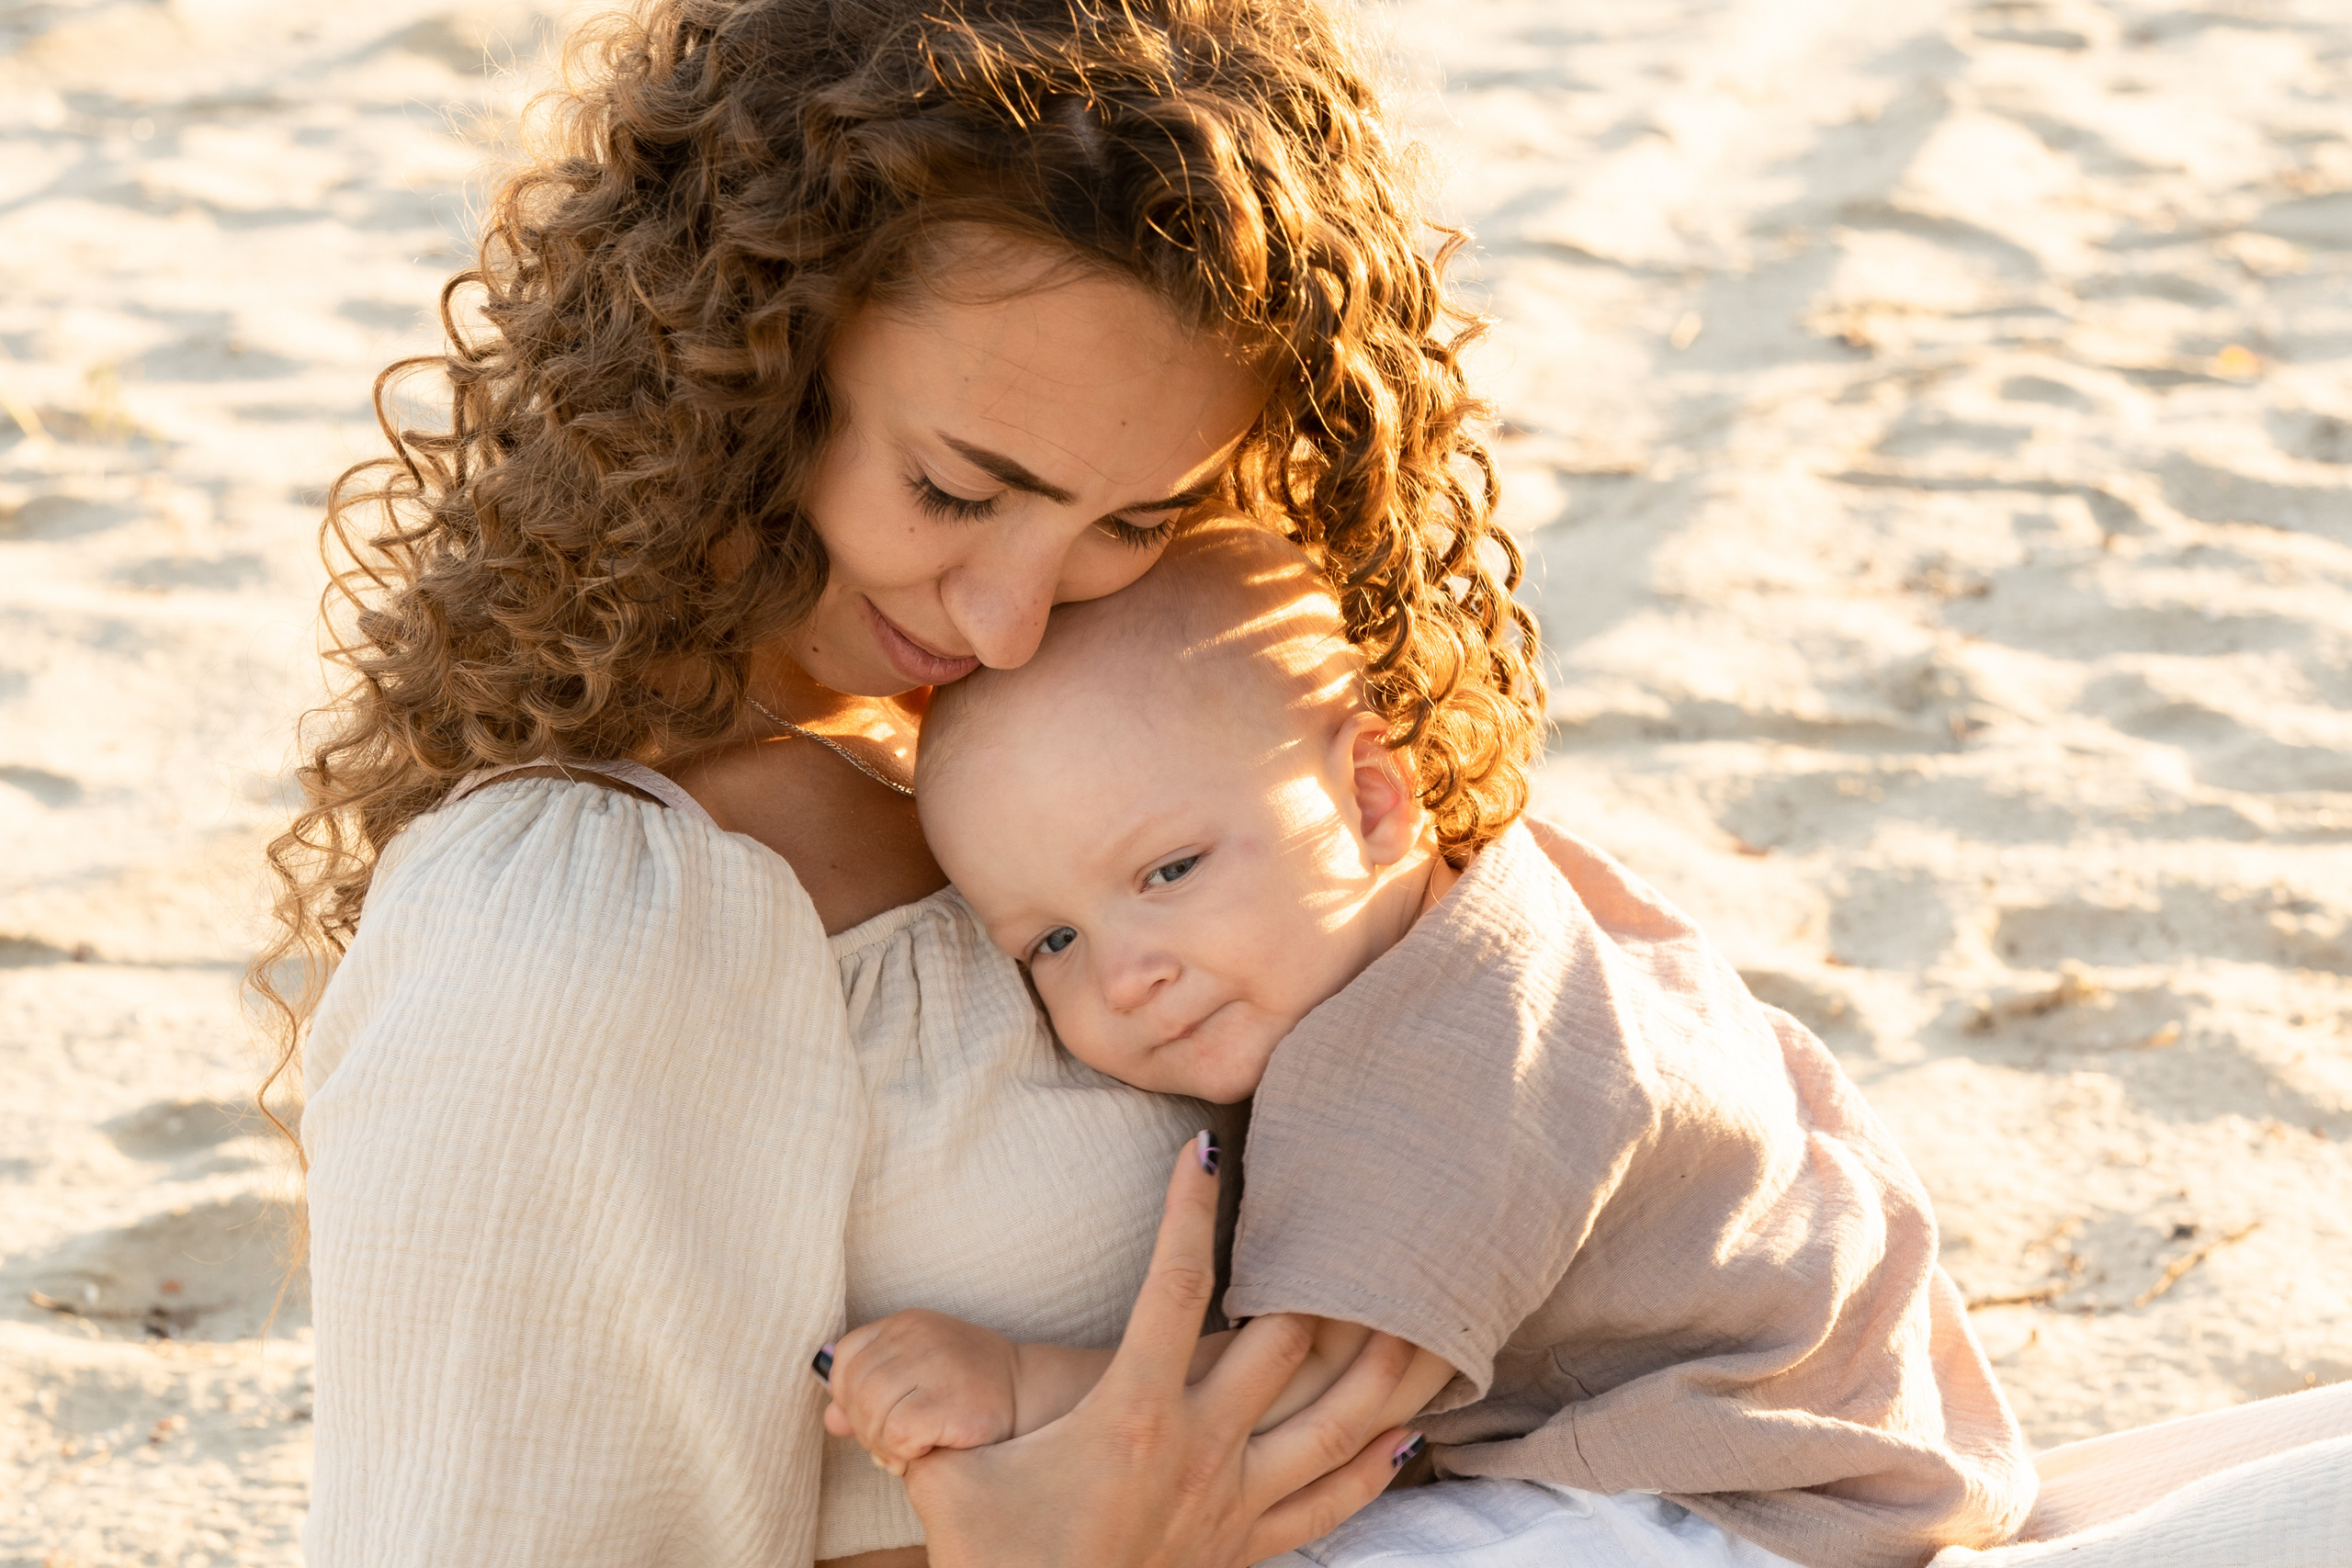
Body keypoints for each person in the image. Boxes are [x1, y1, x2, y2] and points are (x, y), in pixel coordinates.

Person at [249, 0, 1544, 1563]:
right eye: (954, 491)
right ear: (743, 374)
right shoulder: (565, 928)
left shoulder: (1141, 713)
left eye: (1134, 517)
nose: (1009, 623)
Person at [820, 521, 2041, 1568]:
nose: (1127, 973)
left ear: (1370, 796)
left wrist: (1013, 1382)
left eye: (1170, 870)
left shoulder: (1451, 1051)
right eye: (1051, 944)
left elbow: (1310, 1393)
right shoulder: (1471, 911)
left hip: (1727, 1512)